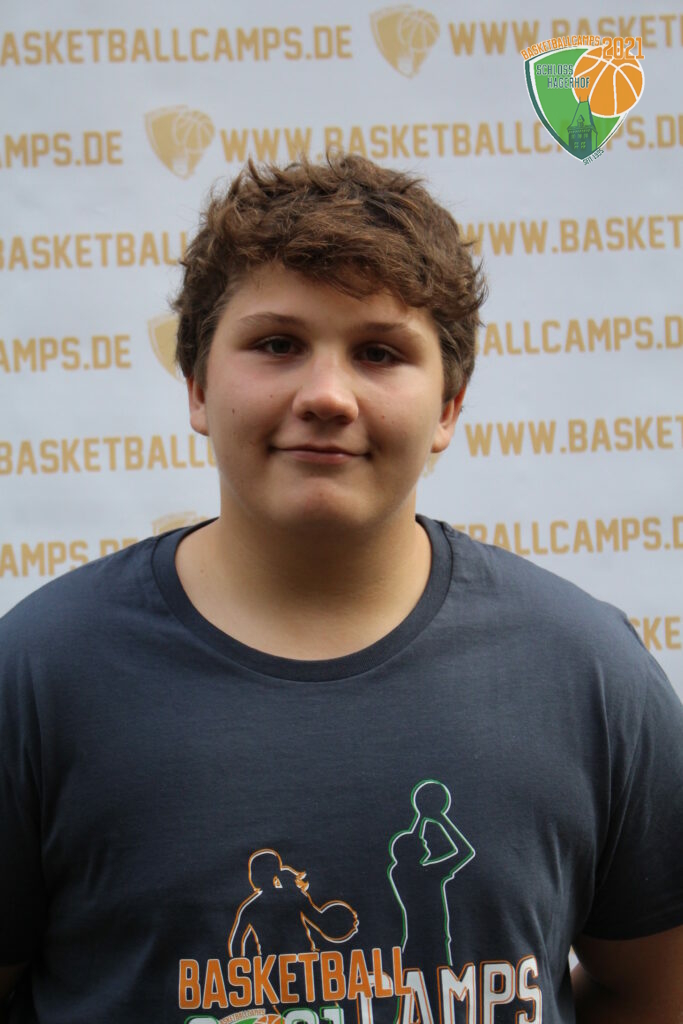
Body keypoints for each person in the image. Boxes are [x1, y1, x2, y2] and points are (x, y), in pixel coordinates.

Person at [1, 153, 681, 1024]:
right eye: (277, 344)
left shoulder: (585, 672)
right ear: (198, 387)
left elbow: (654, 989)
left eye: (378, 353)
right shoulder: (40, 675)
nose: (327, 395)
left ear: (447, 408)